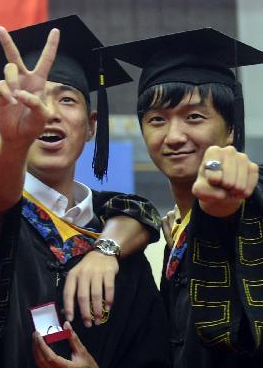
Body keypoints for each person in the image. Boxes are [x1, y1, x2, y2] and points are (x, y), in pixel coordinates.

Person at [0, 16, 168, 368]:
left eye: (67, 100)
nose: (49, 113)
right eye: (36, 99)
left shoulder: (117, 232)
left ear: (91, 126)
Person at [101, 28, 263, 366]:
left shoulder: (250, 199)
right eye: (157, 119)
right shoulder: (174, 227)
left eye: (194, 117)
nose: (174, 136)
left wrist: (225, 203)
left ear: (231, 127)